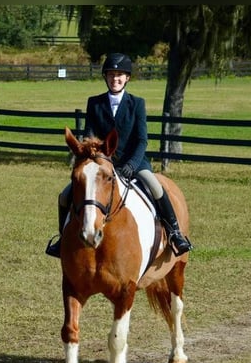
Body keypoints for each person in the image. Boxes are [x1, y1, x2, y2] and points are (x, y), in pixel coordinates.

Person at [45, 52, 193, 258]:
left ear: (127, 78)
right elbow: (89, 135)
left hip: (134, 162)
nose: (115, 79)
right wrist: (92, 157)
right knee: (65, 195)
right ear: (105, 77)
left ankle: (175, 233)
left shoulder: (137, 103)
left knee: (156, 187)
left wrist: (132, 165)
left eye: (120, 75)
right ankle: (63, 239)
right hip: (101, 164)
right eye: (111, 74)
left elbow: (142, 140)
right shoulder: (95, 103)